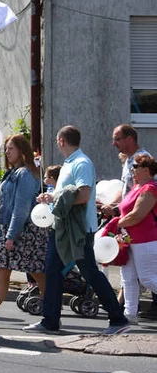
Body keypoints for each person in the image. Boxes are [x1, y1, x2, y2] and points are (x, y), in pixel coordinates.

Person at [25, 125, 130, 335]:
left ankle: (118, 318)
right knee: (53, 272)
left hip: (78, 230)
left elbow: (83, 195)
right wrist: (52, 197)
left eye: (57, 141)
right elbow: (68, 194)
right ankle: (50, 320)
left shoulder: (81, 163)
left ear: (62, 141)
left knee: (89, 272)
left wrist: (54, 197)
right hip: (64, 227)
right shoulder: (70, 163)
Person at [0, 134, 47, 318]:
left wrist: (11, 235)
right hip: (8, 228)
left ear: (21, 150)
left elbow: (21, 208)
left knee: (37, 272)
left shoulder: (25, 173)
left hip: (22, 231)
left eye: (11, 148)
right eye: (6, 148)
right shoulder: (13, 172)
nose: (6, 152)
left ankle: (51, 312)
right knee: (5, 276)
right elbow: (8, 203)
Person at [111, 153, 157, 322]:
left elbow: (137, 215)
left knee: (147, 278)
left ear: (146, 170)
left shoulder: (150, 188)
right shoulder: (137, 187)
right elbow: (124, 209)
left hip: (145, 240)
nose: (132, 169)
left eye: (135, 167)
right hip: (129, 239)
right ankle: (129, 314)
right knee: (128, 277)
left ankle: (129, 313)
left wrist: (118, 223)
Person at [108, 125, 149, 218]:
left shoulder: (142, 159)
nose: (113, 143)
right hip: (128, 215)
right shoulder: (128, 160)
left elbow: (142, 193)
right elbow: (125, 189)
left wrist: (116, 209)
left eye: (117, 139)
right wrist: (110, 205)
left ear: (130, 139)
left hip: (140, 218)